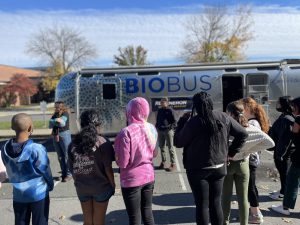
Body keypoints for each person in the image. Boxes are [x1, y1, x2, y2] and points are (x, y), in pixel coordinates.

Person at [174, 92, 248, 225]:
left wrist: (181, 123)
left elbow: (178, 142)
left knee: (202, 204)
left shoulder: (193, 122)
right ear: (211, 103)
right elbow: (243, 134)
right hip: (219, 167)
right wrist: (230, 153)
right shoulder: (224, 117)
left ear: (195, 106)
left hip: (198, 169)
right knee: (215, 203)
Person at [223, 101, 274, 225]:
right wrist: (248, 150)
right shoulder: (250, 128)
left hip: (228, 164)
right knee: (243, 198)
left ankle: (225, 222)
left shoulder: (226, 128)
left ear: (229, 113)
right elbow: (270, 143)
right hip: (243, 164)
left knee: (225, 197)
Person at [1, 113, 54, 225]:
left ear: (12, 127)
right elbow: (45, 170)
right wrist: (50, 184)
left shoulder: (4, 148)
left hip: (19, 194)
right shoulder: (36, 149)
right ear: (30, 128)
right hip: (38, 194)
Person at [114, 97, 158, 225]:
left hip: (131, 179)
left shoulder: (126, 132)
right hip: (149, 176)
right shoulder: (151, 128)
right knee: (148, 213)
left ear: (129, 111)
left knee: (134, 218)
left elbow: (123, 163)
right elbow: (155, 153)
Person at [68, 109, 115, 225]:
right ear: (98, 124)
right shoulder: (103, 142)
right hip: (101, 187)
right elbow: (108, 168)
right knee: (98, 222)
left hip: (82, 188)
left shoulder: (72, 144)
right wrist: (113, 185)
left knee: (88, 221)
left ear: (81, 124)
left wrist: (79, 183)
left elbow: (73, 170)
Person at [241, 97, 270, 224]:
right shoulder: (254, 121)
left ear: (247, 108)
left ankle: (256, 215)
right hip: (254, 158)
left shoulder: (252, 123)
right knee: (251, 187)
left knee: (250, 187)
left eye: (242, 108)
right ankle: (256, 211)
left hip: (251, 159)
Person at [272, 97, 300, 215]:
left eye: (294, 106)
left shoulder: (298, 120)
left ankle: (285, 207)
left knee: (292, 181)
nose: (292, 108)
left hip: (299, 157)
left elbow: (294, 135)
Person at [268, 96, 295, 200]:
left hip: (283, 152)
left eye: (279, 103)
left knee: (284, 173)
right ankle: (283, 190)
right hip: (282, 150)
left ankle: (283, 194)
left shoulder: (286, 118)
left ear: (284, 104)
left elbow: (286, 138)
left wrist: (280, 154)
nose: (277, 105)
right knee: (283, 173)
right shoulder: (284, 116)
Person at [49, 101, 72, 182]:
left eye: (57, 107)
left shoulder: (65, 113)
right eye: (55, 107)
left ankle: (69, 174)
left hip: (64, 134)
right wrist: (56, 120)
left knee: (66, 155)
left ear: (62, 107)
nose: (56, 108)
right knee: (60, 156)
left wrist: (55, 121)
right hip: (56, 135)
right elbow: (50, 123)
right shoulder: (55, 114)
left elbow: (62, 122)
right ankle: (63, 173)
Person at [155, 97, 177, 172]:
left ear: (167, 103)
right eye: (161, 102)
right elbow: (158, 120)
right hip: (160, 131)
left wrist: (170, 128)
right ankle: (163, 162)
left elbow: (174, 122)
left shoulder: (170, 110)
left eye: (164, 102)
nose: (162, 103)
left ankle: (173, 164)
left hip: (168, 131)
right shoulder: (160, 110)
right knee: (162, 147)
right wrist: (157, 127)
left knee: (170, 147)